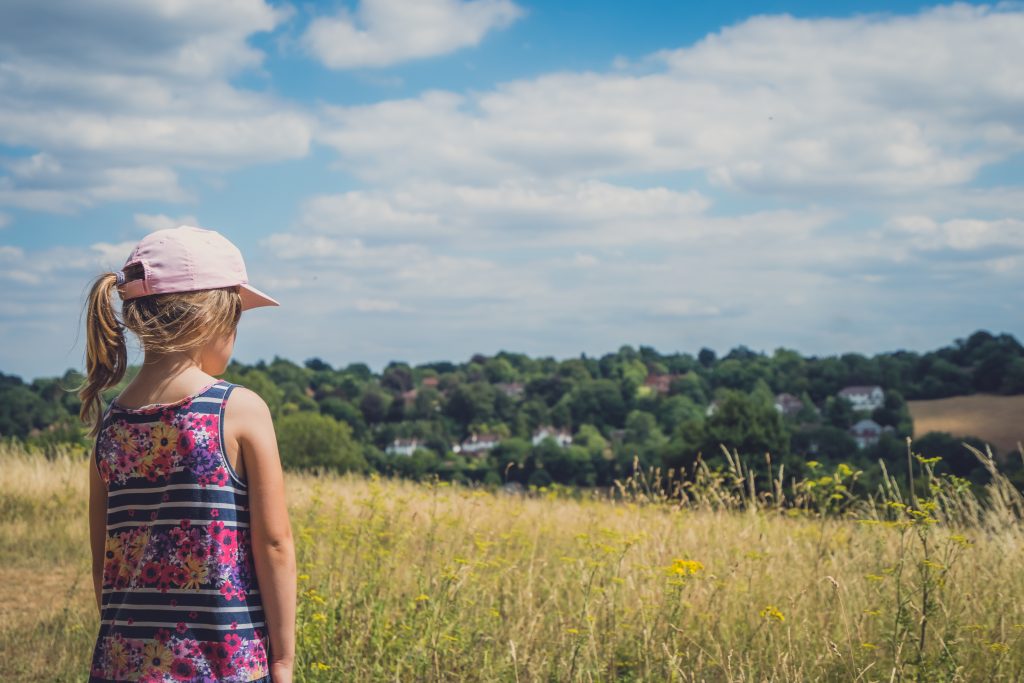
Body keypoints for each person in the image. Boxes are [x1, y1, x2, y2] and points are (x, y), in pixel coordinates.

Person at [81, 226, 296, 682]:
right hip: (223, 666)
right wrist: (282, 660)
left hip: (123, 666)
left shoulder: (113, 423)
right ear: (209, 320)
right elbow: (274, 543)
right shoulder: (238, 410)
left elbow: (105, 562)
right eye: (236, 318)